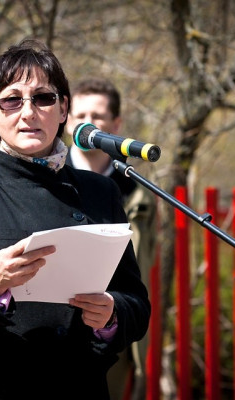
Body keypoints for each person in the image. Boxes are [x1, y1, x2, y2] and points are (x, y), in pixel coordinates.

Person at [0, 39, 150, 399]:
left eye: (43, 98)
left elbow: (136, 303)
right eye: (11, 100)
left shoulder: (100, 191)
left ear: (63, 109)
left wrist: (111, 314)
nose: (28, 112)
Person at [66, 78, 157, 400]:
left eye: (98, 116)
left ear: (116, 125)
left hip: (112, 332)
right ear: (67, 120)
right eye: (80, 115)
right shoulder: (49, 180)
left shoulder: (139, 196)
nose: (87, 123)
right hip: (55, 335)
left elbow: (145, 268)